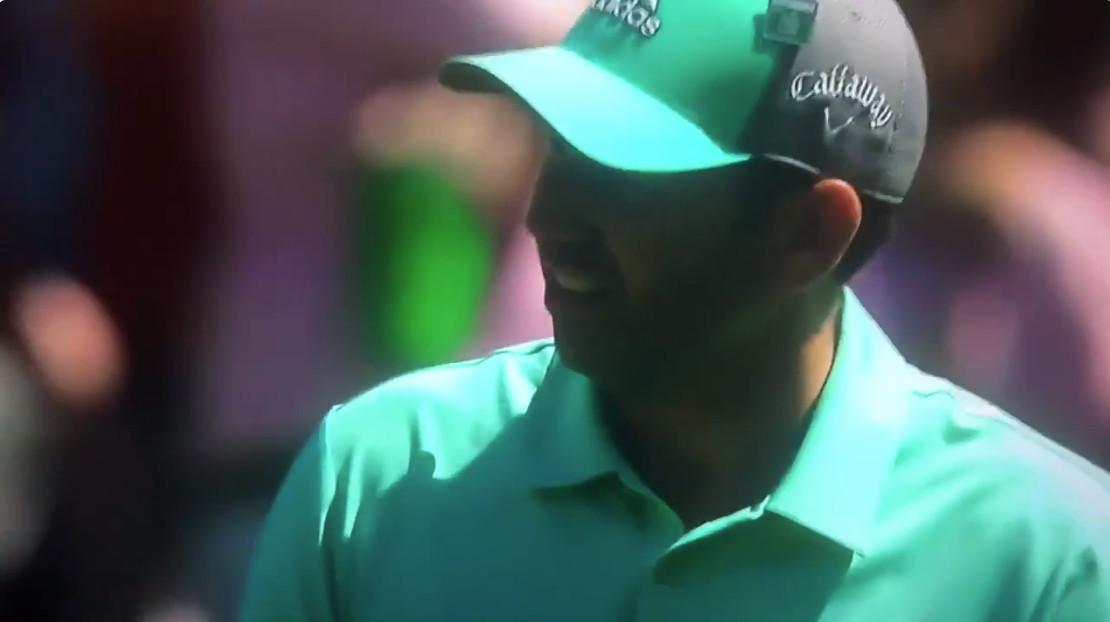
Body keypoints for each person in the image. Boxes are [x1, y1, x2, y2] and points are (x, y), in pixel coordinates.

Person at [240, 0, 1110, 619]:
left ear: (811, 235)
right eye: (555, 148)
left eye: (624, 170)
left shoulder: (1052, 558)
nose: (548, 216)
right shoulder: (375, 477)